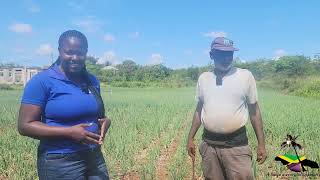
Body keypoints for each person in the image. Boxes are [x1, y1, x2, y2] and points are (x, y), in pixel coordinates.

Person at [18, 30, 111, 180]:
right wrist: (69, 132)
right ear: (59, 51)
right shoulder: (42, 81)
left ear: (86, 53)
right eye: (69, 52)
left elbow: (95, 114)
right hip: (60, 161)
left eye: (80, 53)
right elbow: (25, 126)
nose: (75, 58)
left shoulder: (91, 81)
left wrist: (106, 121)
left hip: (94, 156)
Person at [186, 37, 267, 180]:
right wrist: (190, 138)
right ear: (212, 55)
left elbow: (254, 112)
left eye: (229, 54)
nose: (226, 58)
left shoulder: (245, 76)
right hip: (209, 146)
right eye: (221, 54)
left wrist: (261, 144)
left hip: (237, 147)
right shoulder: (204, 79)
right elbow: (199, 110)